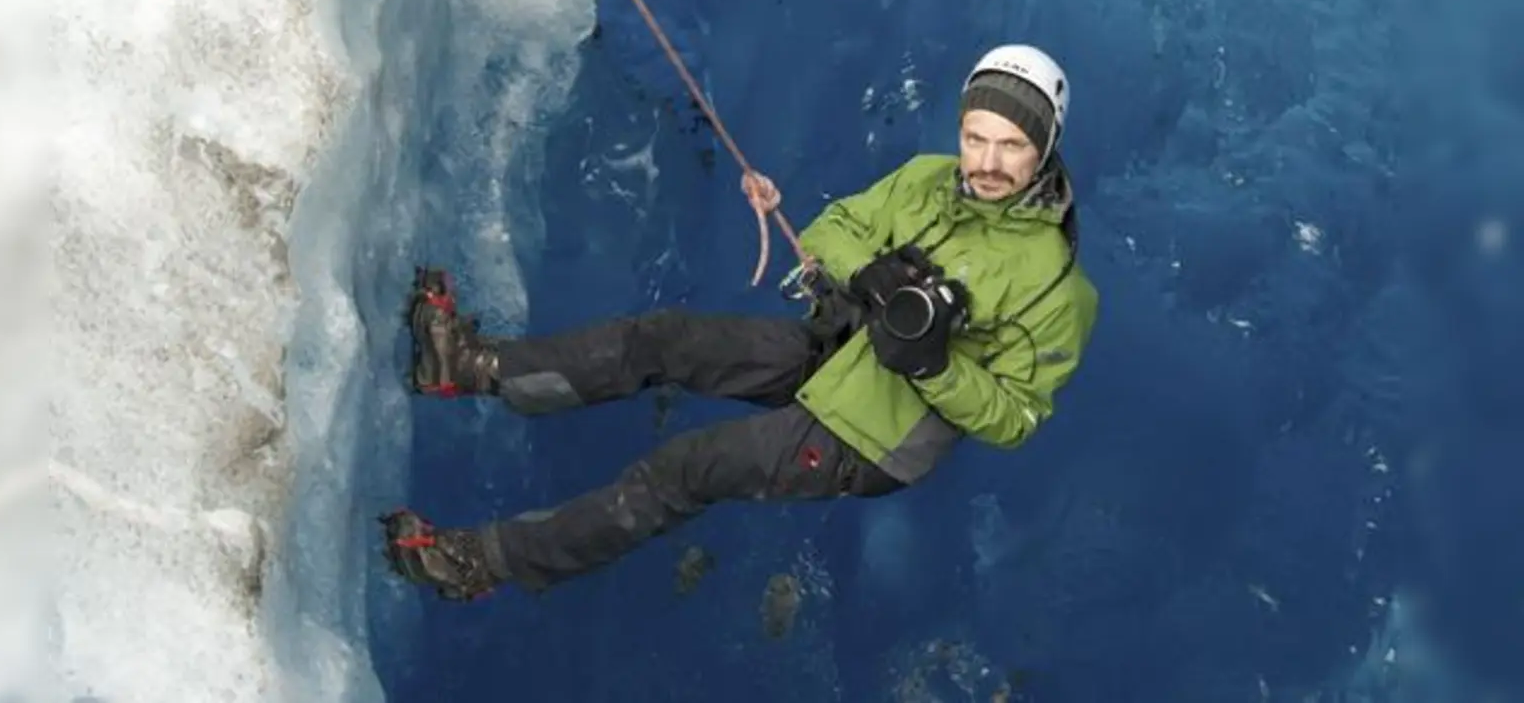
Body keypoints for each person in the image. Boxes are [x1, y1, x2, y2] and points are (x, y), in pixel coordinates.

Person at [379, 43, 1100, 602]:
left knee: (686, 469)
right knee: (663, 339)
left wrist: (934, 363)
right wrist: (870, 274)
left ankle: (480, 562)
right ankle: (470, 367)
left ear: (1045, 147)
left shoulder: (1057, 286)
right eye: (976, 137)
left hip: (875, 434)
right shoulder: (925, 179)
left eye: (1012, 145)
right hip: (832, 351)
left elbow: (1015, 417)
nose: (987, 162)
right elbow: (832, 230)